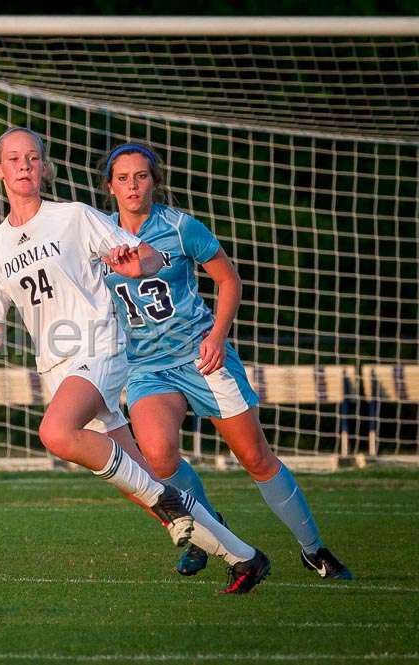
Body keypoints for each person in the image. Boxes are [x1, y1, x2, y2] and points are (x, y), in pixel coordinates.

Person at [0, 127, 270, 594]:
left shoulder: (75, 217)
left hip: (99, 349)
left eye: (33, 157)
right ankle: (242, 555)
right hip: (58, 369)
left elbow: (146, 257)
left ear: (44, 167)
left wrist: (137, 264)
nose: (25, 165)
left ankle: (174, 508)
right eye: (15, 159)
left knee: (55, 433)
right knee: (139, 480)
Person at [99, 142, 352, 580]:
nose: (132, 186)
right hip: (146, 368)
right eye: (123, 178)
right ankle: (211, 529)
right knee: (158, 458)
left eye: (141, 176)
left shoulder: (181, 228)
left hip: (201, 357)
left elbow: (228, 280)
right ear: (110, 186)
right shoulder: (98, 234)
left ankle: (314, 549)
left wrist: (217, 336)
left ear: (155, 181)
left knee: (255, 457)